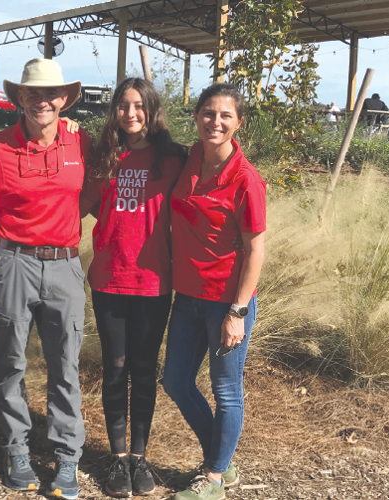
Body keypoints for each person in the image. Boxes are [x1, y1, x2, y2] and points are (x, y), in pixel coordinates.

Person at [0, 58, 90, 500]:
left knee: (65, 366)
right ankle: (16, 448)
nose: (42, 100)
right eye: (32, 93)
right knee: (11, 362)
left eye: (50, 93)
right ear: (18, 97)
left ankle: (65, 457)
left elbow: (103, 189)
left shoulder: (82, 144)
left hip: (64, 264)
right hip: (13, 263)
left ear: (64, 99)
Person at [80, 77, 186, 497]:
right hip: (109, 280)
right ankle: (118, 458)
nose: (131, 113)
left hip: (154, 281)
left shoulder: (173, 159)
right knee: (115, 369)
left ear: (152, 109)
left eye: (139, 105)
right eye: (123, 105)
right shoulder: (105, 158)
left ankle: (140, 457)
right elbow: (81, 206)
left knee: (144, 371)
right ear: (115, 112)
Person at [162, 83, 266, 500]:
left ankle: (216, 478)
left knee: (226, 391)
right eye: (208, 113)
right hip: (186, 299)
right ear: (196, 117)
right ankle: (221, 459)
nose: (215, 122)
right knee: (175, 382)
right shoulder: (188, 158)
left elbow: (256, 249)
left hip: (227, 301)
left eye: (225, 115)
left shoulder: (245, 179)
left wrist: (237, 311)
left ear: (238, 123)